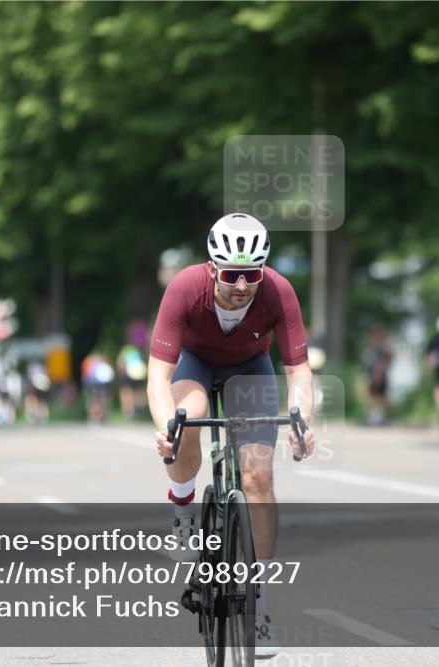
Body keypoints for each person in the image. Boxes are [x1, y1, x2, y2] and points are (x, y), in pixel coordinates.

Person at [147, 213, 316, 658]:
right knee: (187, 418)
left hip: (250, 369)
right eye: (231, 274)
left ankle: (259, 607)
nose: (242, 285)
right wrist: (167, 429)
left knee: (258, 477)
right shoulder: (185, 287)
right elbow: (157, 376)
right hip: (196, 365)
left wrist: (302, 422)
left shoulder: (278, 291)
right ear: (211, 267)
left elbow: (298, 370)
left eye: (252, 274)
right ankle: (183, 505)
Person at [365, 325, 393, 425]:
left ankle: (380, 416)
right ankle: (374, 416)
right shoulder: (378, 346)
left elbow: (389, 357)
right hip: (375, 374)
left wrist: (380, 370)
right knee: (374, 395)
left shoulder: (382, 347)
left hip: (378, 374)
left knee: (379, 396)